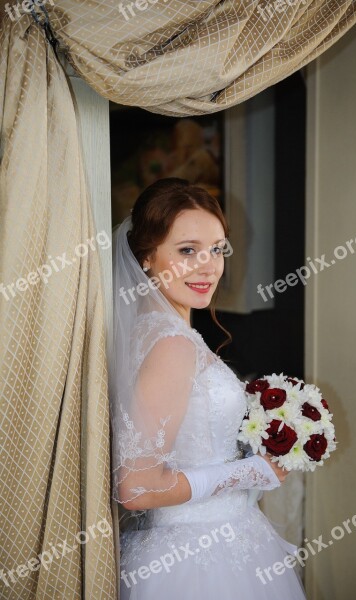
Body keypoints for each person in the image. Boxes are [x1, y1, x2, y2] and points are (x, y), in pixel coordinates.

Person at [109, 178, 307, 600]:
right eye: (187, 250)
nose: (208, 266)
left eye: (217, 249)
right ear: (145, 257)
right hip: (198, 558)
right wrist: (252, 472)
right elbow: (137, 488)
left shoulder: (153, 332)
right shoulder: (171, 345)